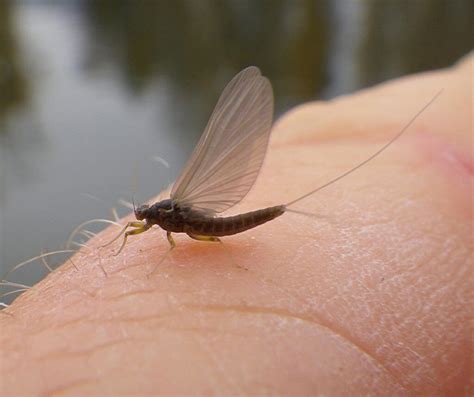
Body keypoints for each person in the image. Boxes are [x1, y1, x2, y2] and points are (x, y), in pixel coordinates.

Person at [1, 54, 471, 396]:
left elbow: (181, 243)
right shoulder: (169, 215)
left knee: (218, 238)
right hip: (220, 220)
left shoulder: (170, 223)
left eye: (144, 216)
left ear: (155, 217)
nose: (140, 219)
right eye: (144, 217)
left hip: (235, 223)